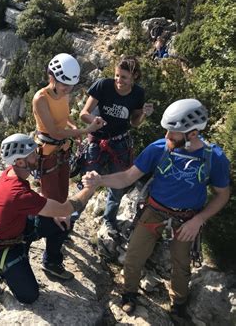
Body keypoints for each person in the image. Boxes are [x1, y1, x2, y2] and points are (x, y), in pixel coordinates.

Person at [82, 99, 230, 319]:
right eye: (167, 131)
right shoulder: (159, 148)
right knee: (134, 256)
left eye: (173, 133)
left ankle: (179, 303)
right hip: (155, 210)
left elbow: (222, 194)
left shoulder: (213, 158)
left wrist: (199, 220)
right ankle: (129, 293)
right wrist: (100, 180)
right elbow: (127, 177)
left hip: (187, 218)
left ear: (192, 134)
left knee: (181, 266)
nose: (167, 136)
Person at [0, 133, 97, 304]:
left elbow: (37, 203)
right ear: (20, 162)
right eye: (32, 154)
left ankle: (51, 262)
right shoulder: (18, 192)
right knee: (29, 296)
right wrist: (89, 189)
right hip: (5, 245)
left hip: (19, 228)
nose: (37, 156)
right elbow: (65, 207)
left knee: (61, 222)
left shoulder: (11, 173)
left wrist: (52, 212)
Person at [79, 56, 154, 238]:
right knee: (89, 182)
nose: (119, 81)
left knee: (117, 187)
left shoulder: (137, 93)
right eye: (117, 76)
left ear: (134, 77)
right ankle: (71, 218)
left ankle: (109, 221)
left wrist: (143, 114)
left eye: (124, 77)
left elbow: (134, 122)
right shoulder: (103, 85)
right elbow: (84, 114)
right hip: (97, 141)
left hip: (120, 142)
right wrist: (94, 120)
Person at [32, 53, 104, 230]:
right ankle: (46, 229)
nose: (68, 89)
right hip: (48, 152)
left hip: (63, 150)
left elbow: (64, 117)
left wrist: (73, 128)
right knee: (50, 196)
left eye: (71, 86)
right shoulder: (40, 99)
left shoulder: (63, 94)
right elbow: (55, 132)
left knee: (63, 193)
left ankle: (57, 224)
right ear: (52, 77)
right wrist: (86, 131)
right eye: (65, 85)